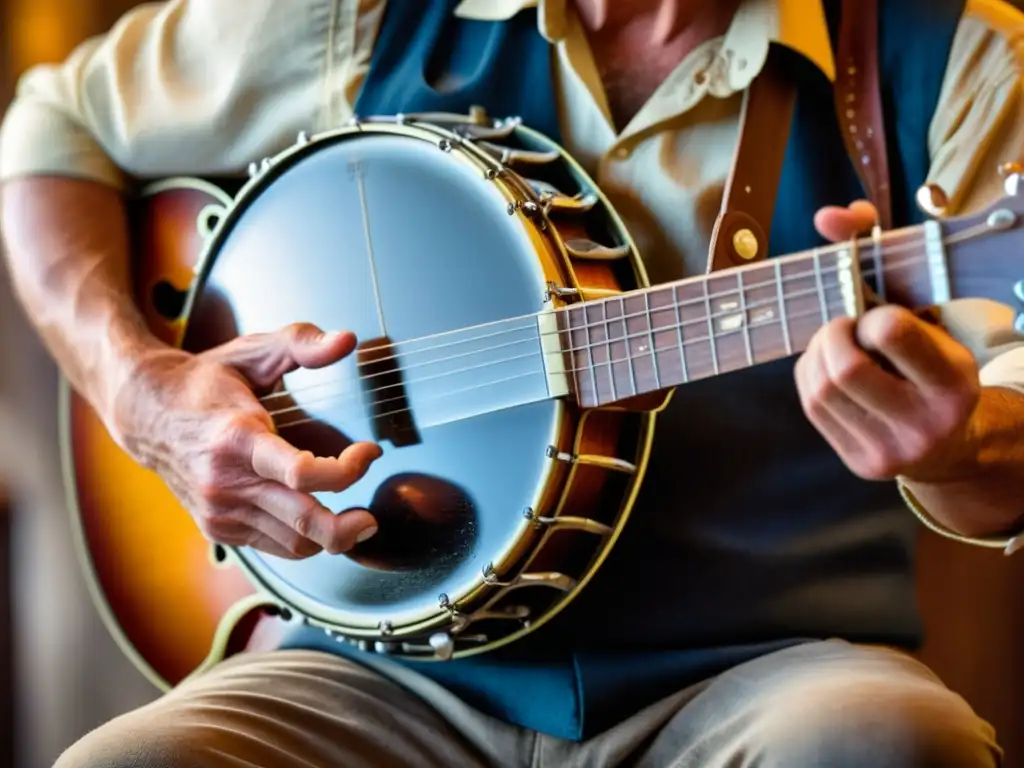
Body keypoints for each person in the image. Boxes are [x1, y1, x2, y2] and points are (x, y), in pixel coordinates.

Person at [2, 0, 1024, 765]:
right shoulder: (356, 16)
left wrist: (952, 446)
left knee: (892, 741)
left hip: (763, 672)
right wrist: (144, 397)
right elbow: (51, 130)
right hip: (383, 674)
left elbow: (1009, 451)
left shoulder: (953, 54)